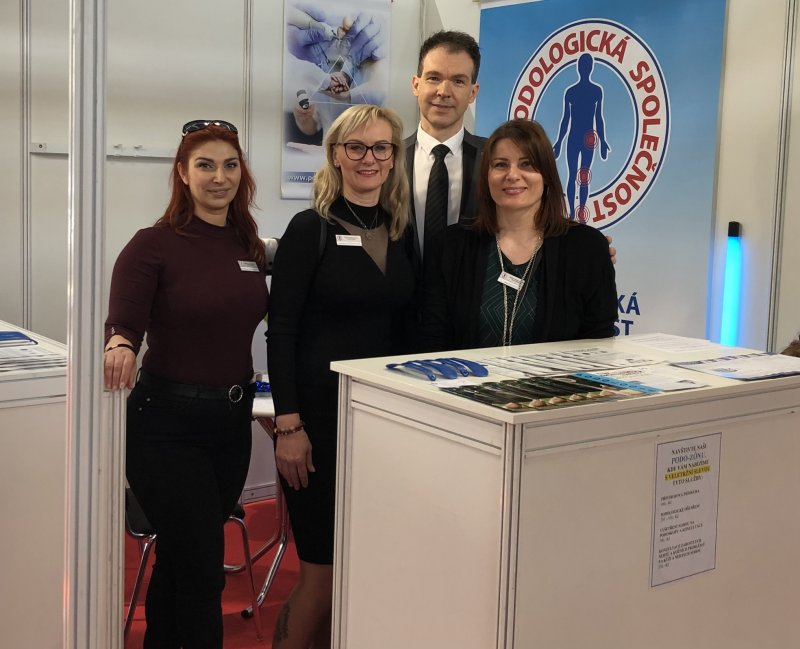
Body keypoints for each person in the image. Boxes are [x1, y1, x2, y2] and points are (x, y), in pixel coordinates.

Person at [104, 120, 269, 649]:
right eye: (205, 165)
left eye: (230, 165)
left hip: (231, 426)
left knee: (181, 558)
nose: (219, 177)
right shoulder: (153, 244)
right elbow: (124, 319)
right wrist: (120, 344)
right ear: (182, 173)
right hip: (166, 428)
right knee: (203, 572)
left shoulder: (247, 244)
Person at [267, 104, 415, 649]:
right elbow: (280, 331)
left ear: (394, 157)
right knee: (322, 574)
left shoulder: (400, 232)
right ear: (335, 155)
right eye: (356, 147)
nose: (368, 158)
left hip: (379, 426)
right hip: (317, 430)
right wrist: (288, 425)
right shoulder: (311, 229)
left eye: (381, 147)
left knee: (362, 570)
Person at [406, 30, 616, 272]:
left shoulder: (500, 162)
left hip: (480, 292)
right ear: (416, 85)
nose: (444, 91)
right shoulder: (382, 161)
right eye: (433, 78)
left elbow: (539, 222)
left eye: (458, 81)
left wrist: (584, 250)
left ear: (473, 92)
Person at [421, 118, 617, 351]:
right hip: (464, 375)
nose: (512, 175)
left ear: (546, 175)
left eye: (527, 164)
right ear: (486, 176)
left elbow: (598, 342)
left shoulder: (586, 247)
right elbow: (433, 337)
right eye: (500, 165)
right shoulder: (452, 245)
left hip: (557, 376)